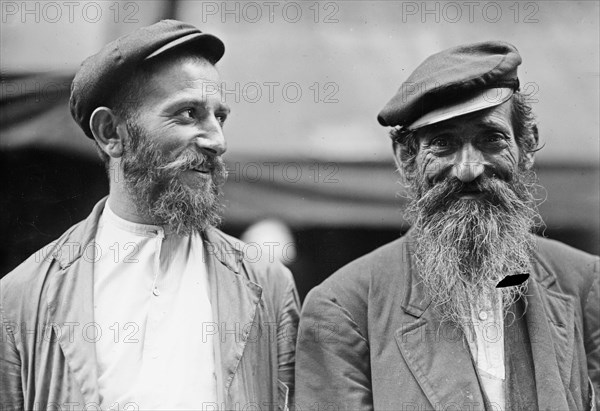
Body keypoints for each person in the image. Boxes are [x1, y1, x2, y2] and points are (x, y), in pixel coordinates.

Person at [0, 20, 299, 410]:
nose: (218, 141)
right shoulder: (22, 297)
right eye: (189, 114)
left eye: (219, 117)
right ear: (111, 132)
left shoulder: (268, 283)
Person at [295, 41, 599, 410]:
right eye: (443, 143)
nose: (468, 169)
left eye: (491, 138)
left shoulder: (585, 285)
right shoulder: (344, 308)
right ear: (406, 159)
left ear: (527, 146)